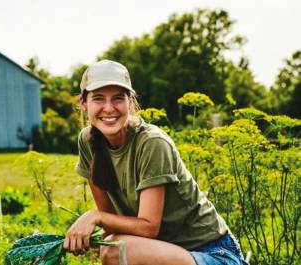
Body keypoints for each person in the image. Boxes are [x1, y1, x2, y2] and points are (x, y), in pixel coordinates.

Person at [63, 60, 248, 265]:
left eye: (118, 98)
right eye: (98, 99)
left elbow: (148, 228)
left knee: (115, 250)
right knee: (111, 244)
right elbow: (111, 223)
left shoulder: (152, 143)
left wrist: (93, 217)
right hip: (166, 250)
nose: (109, 108)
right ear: (83, 103)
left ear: (130, 102)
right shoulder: (88, 141)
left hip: (214, 253)